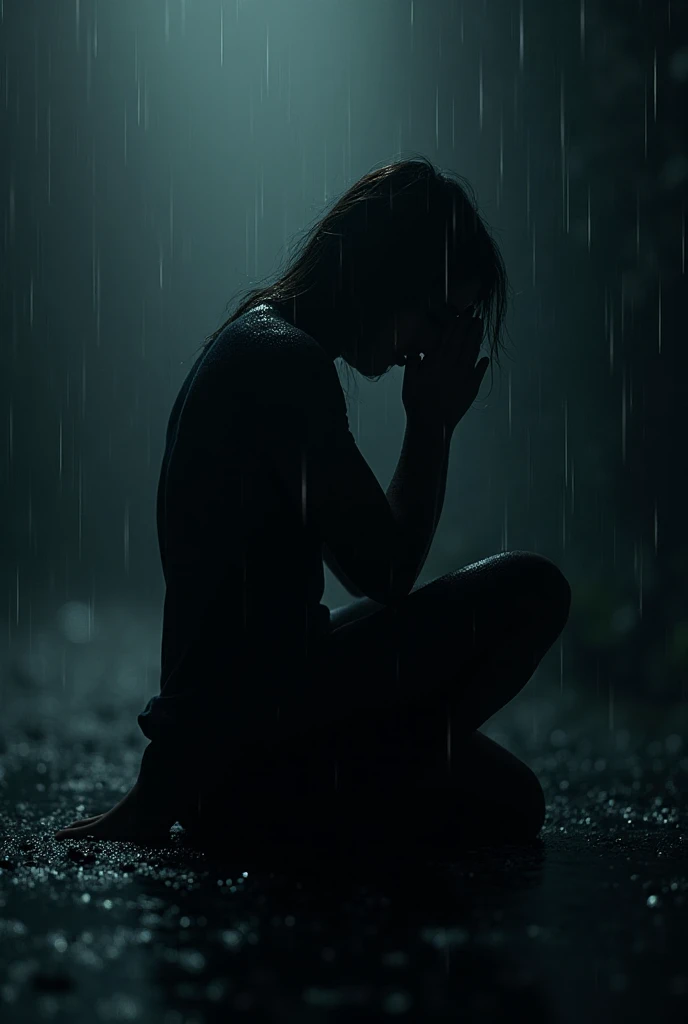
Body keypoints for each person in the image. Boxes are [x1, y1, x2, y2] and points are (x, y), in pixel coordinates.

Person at [54, 156, 570, 851]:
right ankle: (335, 786)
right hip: (245, 748)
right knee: (534, 591)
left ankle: (350, 780)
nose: (427, 349)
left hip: (239, 735)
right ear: (389, 271)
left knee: (514, 800)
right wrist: (431, 426)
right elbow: (384, 573)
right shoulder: (281, 362)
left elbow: (363, 573)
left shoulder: (263, 344)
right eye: (436, 318)